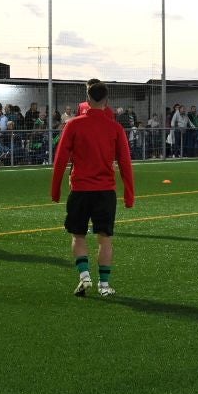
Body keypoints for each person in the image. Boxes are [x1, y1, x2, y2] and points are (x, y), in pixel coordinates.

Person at [51, 80, 134, 297]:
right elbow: (125, 163)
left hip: (80, 190)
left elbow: (60, 160)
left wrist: (55, 189)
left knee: (78, 236)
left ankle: (84, 276)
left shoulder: (73, 125)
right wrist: (129, 194)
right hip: (105, 191)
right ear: (107, 101)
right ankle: (104, 285)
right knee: (105, 239)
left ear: (87, 100)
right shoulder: (115, 128)